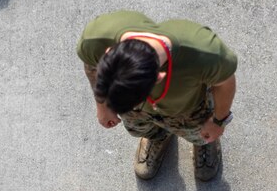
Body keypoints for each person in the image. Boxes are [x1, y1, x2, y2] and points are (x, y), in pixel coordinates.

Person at [77, 10, 238, 182]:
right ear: (108, 52)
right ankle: (157, 137)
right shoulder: (94, 41)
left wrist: (217, 121)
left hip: (188, 107)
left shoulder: (206, 55)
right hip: (141, 112)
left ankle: (203, 142)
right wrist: (103, 104)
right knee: (139, 126)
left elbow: (225, 83)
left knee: (198, 132)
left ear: (158, 77)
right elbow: (91, 67)